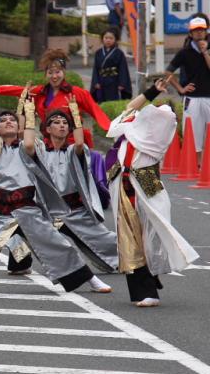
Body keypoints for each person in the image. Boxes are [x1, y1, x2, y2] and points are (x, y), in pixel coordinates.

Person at [0, 87, 112, 295]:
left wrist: (29, 113)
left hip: (26, 209)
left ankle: (91, 279)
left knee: (56, 245)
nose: (8, 121)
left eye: (12, 119)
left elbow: (29, 141)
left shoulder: (27, 147)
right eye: (3, 120)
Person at [106, 78, 199, 307]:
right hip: (122, 183)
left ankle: (151, 279)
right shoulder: (133, 125)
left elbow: (160, 114)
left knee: (150, 235)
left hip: (145, 182)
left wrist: (155, 102)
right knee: (129, 239)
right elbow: (130, 109)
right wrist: (150, 92)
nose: (148, 111)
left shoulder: (157, 132)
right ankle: (143, 290)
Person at [32, 105, 118, 273]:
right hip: (47, 210)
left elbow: (79, 143)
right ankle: (16, 265)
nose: (62, 125)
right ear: (47, 129)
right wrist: (27, 113)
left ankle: (129, 258)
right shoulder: (40, 150)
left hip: (74, 210)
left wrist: (75, 115)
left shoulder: (73, 151)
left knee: (104, 239)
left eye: (65, 123)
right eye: (56, 122)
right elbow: (26, 142)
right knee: (21, 235)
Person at [0, 48, 111, 148]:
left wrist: (114, 130)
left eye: (58, 72)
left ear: (64, 72)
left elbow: (97, 112)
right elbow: (17, 90)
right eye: (50, 72)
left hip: (73, 145)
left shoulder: (77, 93)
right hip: (49, 144)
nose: (54, 76)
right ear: (46, 74)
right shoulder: (40, 92)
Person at [165, 16, 210, 161]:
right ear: (190, 34)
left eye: (201, 30)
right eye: (195, 31)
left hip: (209, 96)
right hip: (192, 98)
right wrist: (181, 89)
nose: (198, 33)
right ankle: (196, 165)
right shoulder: (184, 52)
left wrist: (205, 52)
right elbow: (168, 72)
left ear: (206, 32)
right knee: (193, 134)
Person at [91, 27, 131, 103]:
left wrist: (122, 83)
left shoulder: (119, 53)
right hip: (101, 81)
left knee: (114, 100)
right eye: (106, 38)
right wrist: (96, 82)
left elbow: (123, 69)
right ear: (102, 39)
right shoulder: (98, 53)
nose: (108, 40)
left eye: (111, 38)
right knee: (101, 101)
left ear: (115, 39)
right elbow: (95, 69)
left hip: (114, 81)